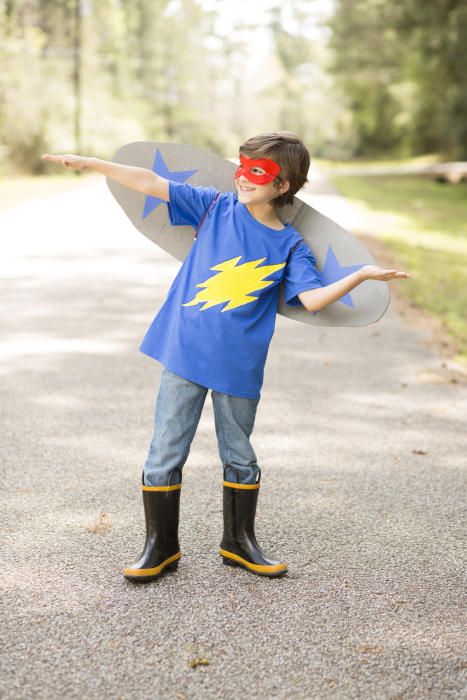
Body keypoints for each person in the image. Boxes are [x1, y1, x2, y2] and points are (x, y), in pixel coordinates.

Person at [41, 131, 409, 582]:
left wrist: (363, 276)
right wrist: (95, 163)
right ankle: (160, 545)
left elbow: (312, 300)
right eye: (243, 165)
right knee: (165, 449)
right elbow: (151, 182)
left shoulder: (290, 246)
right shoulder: (214, 208)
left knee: (239, 453)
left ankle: (238, 542)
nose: (244, 177)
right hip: (186, 350)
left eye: (259, 171)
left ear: (283, 185)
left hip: (239, 362)